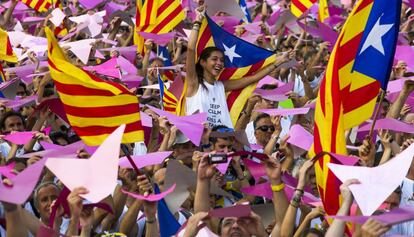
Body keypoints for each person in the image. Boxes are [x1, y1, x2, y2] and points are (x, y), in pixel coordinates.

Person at [185, 6, 292, 128]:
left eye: (221, 60)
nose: (219, 63)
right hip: (197, 140)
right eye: (214, 59)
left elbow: (253, 78)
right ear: (203, 62)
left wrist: (278, 62)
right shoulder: (194, 83)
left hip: (219, 139)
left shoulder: (222, 86)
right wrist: (197, 21)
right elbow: (190, 49)